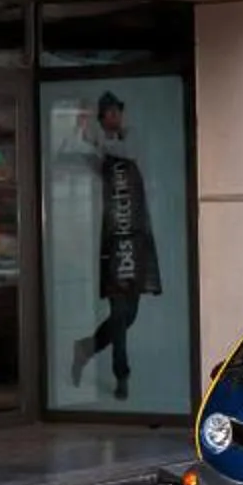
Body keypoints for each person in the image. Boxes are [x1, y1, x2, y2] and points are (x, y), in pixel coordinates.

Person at [68, 93, 161, 401]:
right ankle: (122, 375)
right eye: (107, 114)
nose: (113, 118)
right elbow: (71, 159)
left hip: (137, 242)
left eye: (116, 112)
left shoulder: (131, 140)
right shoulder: (101, 154)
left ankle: (86, 348)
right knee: (120, 315)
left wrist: (94, 140)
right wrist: (75, 134)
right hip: (114, 244)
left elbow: (128, 150)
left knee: (130, 315)